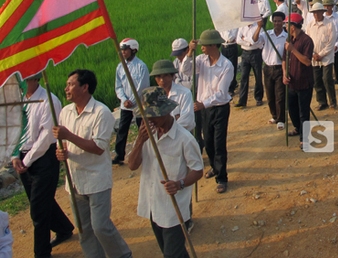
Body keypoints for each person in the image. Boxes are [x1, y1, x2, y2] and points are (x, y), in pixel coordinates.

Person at [53, 69, 132, 258]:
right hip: (75, 180)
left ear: (85, 87)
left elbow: (98, 148)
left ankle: (122, 255)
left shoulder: (101, 112)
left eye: (71, 84)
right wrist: (61, 151)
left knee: (100, 227)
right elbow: (62, 142)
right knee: (84, 230)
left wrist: (69, 136)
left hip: (96, 180)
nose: (66, 88)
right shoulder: (66, 112)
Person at [128, 87, 203, 258]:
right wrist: (140, 140)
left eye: (154, 115)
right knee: (169, 251)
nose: (150, 119)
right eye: (147, 115)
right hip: (153, 205)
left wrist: (179, 184)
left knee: (171, 254)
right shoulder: (147, 135)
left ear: (167, 111)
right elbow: (132, 165)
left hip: (173, 209)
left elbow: (197, 170)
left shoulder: (185, 139)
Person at [11, 73, 74, 257]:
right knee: (38, 200)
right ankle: (64, 228)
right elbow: (15, 128)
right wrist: (15, 155)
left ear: (34, 79)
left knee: (38, 211)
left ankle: (42, 252)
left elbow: (46, 137)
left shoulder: (48, 101)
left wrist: (27, 160)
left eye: (23, 80)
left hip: (44, 158)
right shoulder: (20, 100)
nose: (20, 84)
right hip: (23, 157)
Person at [188, 30, 233, 193]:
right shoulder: (200, 61)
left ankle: (221, 178)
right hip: (205, 109)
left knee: (219, 142)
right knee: (208, 141)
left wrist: (203, 103)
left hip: (219, 108)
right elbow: (186, 71)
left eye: (204, 45)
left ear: (213, 45)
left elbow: (221, 93)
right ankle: (214, 166)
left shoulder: (226, 65)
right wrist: (189, 53)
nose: (202, 48)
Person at [113, 38, 150, 165]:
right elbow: (118, 86)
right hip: (125, 105)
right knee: (122, 129)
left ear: (133, 50)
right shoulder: (120, 67)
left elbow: (143, 86)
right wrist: (124, 100)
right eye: (122, 50)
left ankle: (145, 153)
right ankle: (119, 155)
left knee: (143, 129)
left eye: (125, 50)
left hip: (139, 104)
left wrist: (133, 100)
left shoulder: (141, 66)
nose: (123, 52)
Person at [282, 13, 314, 149]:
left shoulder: (306, 41)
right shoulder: (289, 40)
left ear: (293, 26)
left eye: (287, 25)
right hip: (291, 82)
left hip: (304, 82)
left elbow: (307, 61)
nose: (285, 27)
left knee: (303, 112)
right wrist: (284, 73)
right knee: (292, 109)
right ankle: (297, 128)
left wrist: (293, 50)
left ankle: (304, 138)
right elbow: (284, 59)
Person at [254, 11, 287, 129]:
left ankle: (281, 119)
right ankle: (274, 115)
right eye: (275, 21)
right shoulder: (267, 34)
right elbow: (255, 40)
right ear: (272, 22)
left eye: (279, 21)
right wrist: (258, 27)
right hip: (267, 68)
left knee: (280, 95)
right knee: (270, 95)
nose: (277, 23)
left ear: (283, 22)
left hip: (280, 69)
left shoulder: (287, 37)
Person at [306, 2, 337, 110]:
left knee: (327, 79)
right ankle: (322, 102)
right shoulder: (310, 25)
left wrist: (321, 54)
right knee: (317, 80)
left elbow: (331, 42)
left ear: (322, 13)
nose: (316, 15)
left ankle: (332, 101)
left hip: (327, 57)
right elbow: (307, 41)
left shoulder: (330, 24)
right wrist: (313, 54)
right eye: (314, 13)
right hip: (314, 57)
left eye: (318, 12)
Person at [150, 60, 195, 132]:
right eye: (158, 76)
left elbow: (187, 121)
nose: (162, 80)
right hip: (160, 136)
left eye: (165, 76)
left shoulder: (184, 93)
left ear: (172, 76)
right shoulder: (152, 95)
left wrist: (167, 128)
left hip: (182, 136)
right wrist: (174, 120)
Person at [235, 21, 265, 107]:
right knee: (244, 77)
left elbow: (258, 42)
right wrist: (249, 42)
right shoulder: (242, 27)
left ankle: (258, 98)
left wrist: (246, 39)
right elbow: (238, 40)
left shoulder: (258, 27)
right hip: (245, 53)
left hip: (256, 53)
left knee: (258, 76)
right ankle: (242, 100)